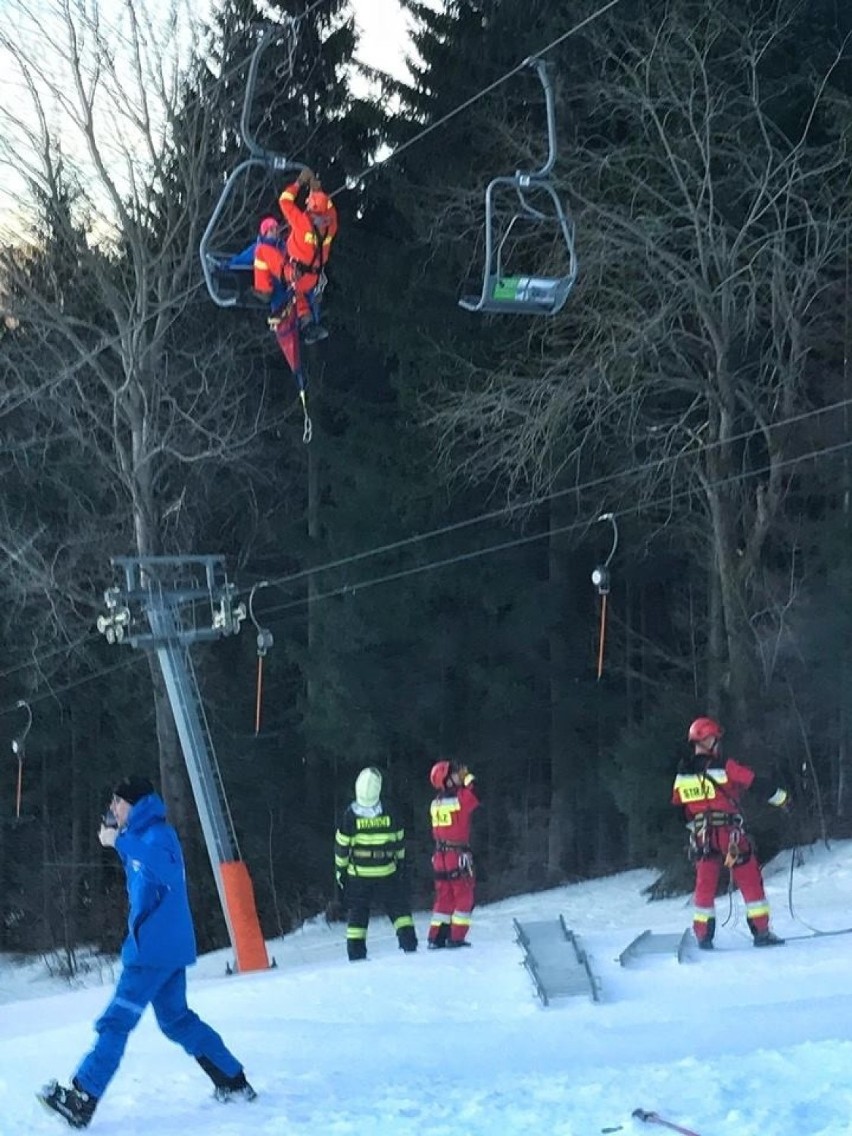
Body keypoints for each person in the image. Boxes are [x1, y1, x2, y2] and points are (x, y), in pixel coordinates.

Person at [38, 776, 255, 1129]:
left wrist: (120, 841)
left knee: (116, 1021)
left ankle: (82, 1098)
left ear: (136, 805)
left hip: (153, 951)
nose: (112, 809)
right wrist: (118, 839)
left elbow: (167, 870)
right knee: (176, 1021)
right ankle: (232, 1080)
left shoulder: (158, 835)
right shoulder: (139, 836)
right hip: (161, 947)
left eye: (118, 804)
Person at [672, 717, 790, 950]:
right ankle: (761, 932)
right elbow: (755, 783)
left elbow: (679, 809)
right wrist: (783, 799)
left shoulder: (682, 774)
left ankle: (703, 935)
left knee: (704, 885)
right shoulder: (725, 766)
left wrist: (696, 829)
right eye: (715, 740)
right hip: (729, 835)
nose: (718, 744)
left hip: (702, 837)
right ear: (706, 740)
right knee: (749, 880)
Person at [333, 766, 417, 961]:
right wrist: (401, 864)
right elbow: (399, 841)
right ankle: (409, 945)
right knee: (399, 910)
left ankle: (356, 954)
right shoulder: (390, 811)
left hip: (358, 875)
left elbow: (341, 848)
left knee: (358, 915)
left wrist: (340, 872)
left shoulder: (349, 815)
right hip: (387, 872)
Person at [277, 167, 338, 343]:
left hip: (295, 273)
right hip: (313, 276)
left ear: (310, 206)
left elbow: (284, 201)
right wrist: (317, 191)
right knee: (301, 294)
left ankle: (307, 322)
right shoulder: (331, 226)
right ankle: (310, 323)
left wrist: (299, 183)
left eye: (308, 202)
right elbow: (329, 209)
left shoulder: (303, 222)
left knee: (295, 293)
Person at [428, 760, 480, 949]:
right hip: (456, 856)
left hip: (439, 856)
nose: (459, 774)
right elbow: (475, 793)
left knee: (444, 898)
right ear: (447, 781)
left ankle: (436, 937)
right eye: (455, 773)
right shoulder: (459, 800)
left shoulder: (436, 803)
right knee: (464, 896)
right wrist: (469, 778)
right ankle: (456, 937)